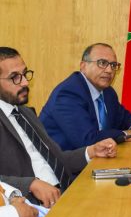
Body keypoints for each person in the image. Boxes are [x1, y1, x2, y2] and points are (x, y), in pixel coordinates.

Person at [0, 47, 117, 208]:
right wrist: (30, 184)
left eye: (25, 74)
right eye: (15, 77)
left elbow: (55, 159)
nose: (25, 82)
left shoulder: (25, 113)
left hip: (67, 191)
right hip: (30, 206)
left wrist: (91, 151)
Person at [39, 43, 131, 150]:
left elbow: (124, 117)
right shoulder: (68, 93)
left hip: (97, 156)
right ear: (83, 66)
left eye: (113, 65)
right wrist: (126, 134)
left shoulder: (108, 92)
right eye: (102, 63)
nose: (109, 70)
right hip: (62, 158)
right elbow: (87, 140)